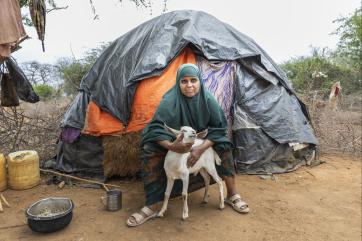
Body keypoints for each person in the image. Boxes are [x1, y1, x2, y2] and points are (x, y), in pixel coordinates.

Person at [127, 63, 249, 227]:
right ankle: (154, 203)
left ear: (200, 81)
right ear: (178, 83)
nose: (189, 85)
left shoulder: (208, 100)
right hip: (176, 140)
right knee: (150, 148)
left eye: (193, 80)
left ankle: (232, 194)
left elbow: (219, 128)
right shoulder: (170, 99)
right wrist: (172, 146)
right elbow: (154, 128)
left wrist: (200, 149)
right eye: (184, 81)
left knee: (224, 145)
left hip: (201, 139)